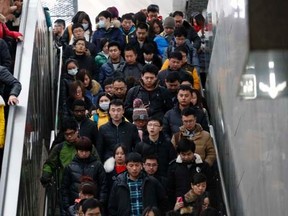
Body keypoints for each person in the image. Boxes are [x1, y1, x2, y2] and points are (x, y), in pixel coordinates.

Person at [61, 137, 107, 212]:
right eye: (81, 151)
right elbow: (64, 188)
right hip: (75, 206)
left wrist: (101, 203)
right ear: (77, 151)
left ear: (90, 151)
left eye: (86, 151)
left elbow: (103, 186)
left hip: (94, 206)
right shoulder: (69, 167)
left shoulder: (98, 166)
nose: (84, 153)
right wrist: (67, 207)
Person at [167, 138, 211, 209]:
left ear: (193, 152)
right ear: (179, 153)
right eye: (183, 154)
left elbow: (211, 185)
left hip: (200, 205)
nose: (186, 157)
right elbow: (170, 189)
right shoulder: (173, 167)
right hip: (181, 206)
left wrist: (207, 197)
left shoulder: (203, 166)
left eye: (189, 154)